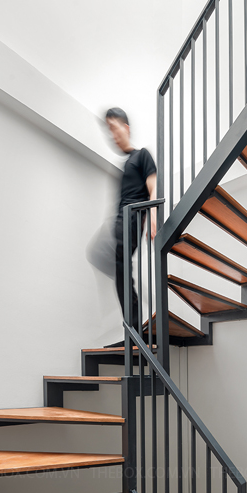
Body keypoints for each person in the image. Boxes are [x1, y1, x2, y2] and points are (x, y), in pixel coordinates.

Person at [103, 107, 157, 344]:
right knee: (120, 272)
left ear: (126, 128)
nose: (112, 135)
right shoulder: (125, 164)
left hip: (132, 217)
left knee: (121, 272)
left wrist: (153, 216)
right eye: (109, 130)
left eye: (114, 128)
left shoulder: (142, 155)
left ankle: (134, 332)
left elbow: (153, 186)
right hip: (121, 220)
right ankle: (133, 330)